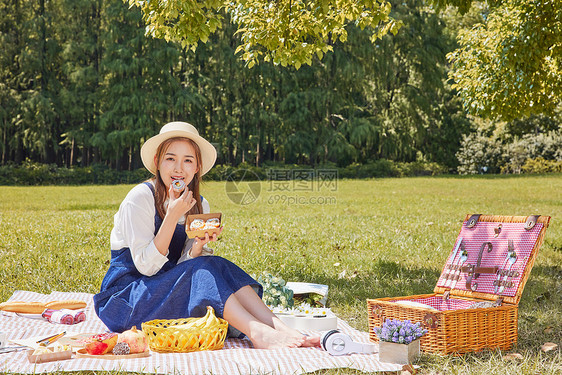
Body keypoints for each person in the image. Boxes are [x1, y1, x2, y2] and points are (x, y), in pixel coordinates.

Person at [93, 121, 319, 349]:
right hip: (126, 300)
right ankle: (257, 332)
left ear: (197, 167)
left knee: (214, 263)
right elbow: (147, 268)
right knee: (204, 269)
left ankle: (280, 327)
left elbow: (182, 270)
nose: (178, 169)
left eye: (187, 160)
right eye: (170, 158)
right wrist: (172, 216)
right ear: (157, 163)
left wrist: (196, 249)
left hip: (165, 292)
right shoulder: (140, 198)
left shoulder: (199, 204)